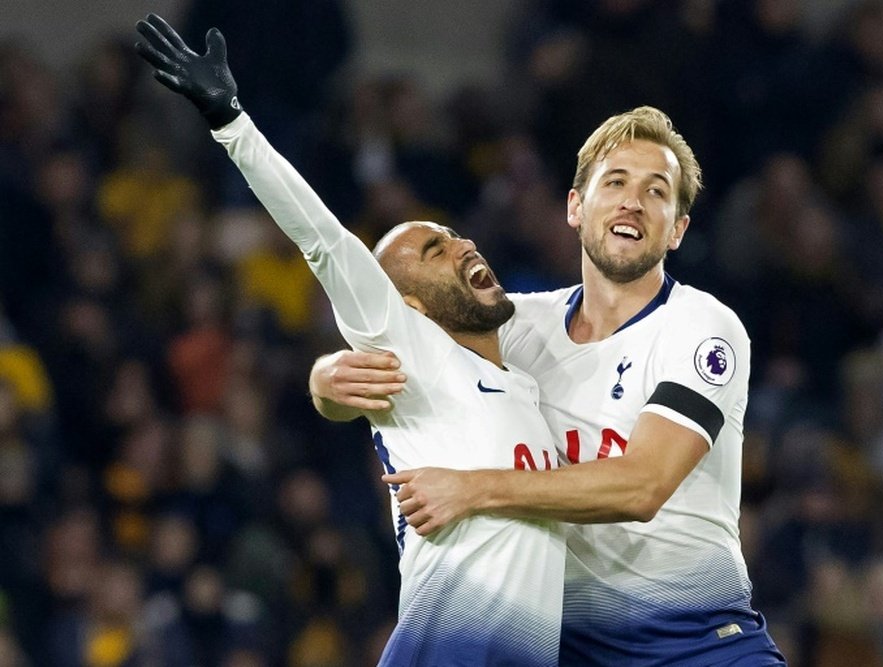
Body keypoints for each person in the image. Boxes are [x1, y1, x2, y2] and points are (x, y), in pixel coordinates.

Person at [133, 15, 565, 666]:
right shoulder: (413, 348)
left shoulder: (532, 382)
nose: (462, 245)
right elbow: (325, 241)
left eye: (455, 235)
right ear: (408, 304)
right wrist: (232, 124)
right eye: (433, 247)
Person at [311, 105, 787, 664]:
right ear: (575, 207)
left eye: (657, 191)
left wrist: (474, 489)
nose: (633, 200)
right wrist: (327, 383)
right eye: (615, 182)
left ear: (678, 229)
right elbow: (398, 347)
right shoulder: (513, 329)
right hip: (568, 652)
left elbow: (643, 486)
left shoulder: (702, 328)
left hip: (697, 647)